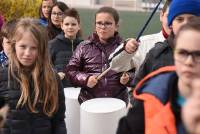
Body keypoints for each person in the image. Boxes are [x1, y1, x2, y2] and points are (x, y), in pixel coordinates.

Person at [117, 16, 200, 134]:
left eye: (198, 54)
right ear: (174, 54)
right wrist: (126, 49)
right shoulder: (151, 96)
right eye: (183, 53)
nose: (189, 61)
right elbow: (119, 68)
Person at [0, 18, 66, 134]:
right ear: (15, 45)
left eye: (33, 48)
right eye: (23, 46)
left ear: (41, 49)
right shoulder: (3, 76)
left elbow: (58, 120)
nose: (27, 53)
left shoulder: (52, 78)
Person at [65, 6, 132, 105]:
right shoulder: (83, 47)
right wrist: (86, 79)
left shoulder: (125, 48)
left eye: (108, 23)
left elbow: (136, 72)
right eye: (99, 23)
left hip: (118, 104)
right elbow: (70, 71)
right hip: (89, 103)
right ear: (95, 25)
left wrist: (128, 78)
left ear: (116, 26)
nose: (103, 27)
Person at [109, 0, 171, 73]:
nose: (173, 21)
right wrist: (126, 51)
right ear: (161, 16)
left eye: (179, 18)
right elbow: (115, 66)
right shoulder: (143, 44)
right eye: (169, 16)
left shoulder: (187, 46)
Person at [49, 8, 83, 87]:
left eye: (73, 24)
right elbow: (45, 66)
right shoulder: (52, 45)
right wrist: (55, 74)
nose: (70, 27)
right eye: (67, 24)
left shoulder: (84, 46)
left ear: (79, 26)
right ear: (62, 26)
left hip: (80, 91)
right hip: (59, 90)